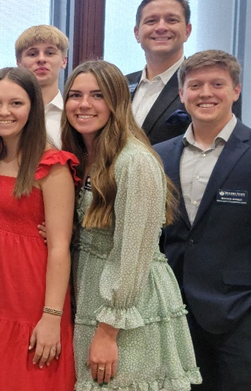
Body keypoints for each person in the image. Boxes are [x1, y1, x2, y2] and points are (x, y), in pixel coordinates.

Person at [62, 60, 201, 390]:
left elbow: (132, 251)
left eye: (97, 95)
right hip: (91, 289)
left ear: (117, 102)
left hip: (126, 305)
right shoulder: (85, 154)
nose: (84, 104)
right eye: (75, 95)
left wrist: (109, 330)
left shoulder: (134, 160)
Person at [155, 50, 251, 390]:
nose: (205, 93)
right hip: (175, 317)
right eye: (195, 85)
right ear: (181, 94)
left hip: (244, 320)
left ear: (236, 90)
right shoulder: (161, 155)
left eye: (217, 84)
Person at [0, 67, 76, 390]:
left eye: (16, 103)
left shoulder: (52, 165)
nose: (3, 112)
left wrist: (51, 316)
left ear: (33, 108)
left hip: (28, 292)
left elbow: (60, 246)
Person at [125, 0, 192, 146]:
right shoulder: (120, 84)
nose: (161, 27)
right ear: (137, 33)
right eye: (151, 21)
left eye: (171, 20)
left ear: (187, 31)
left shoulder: (203, 88)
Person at [15, 25, 68, 148]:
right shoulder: (5, 114)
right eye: (33, 54)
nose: (41, 59)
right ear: (18, 62)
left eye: (50, 53)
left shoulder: (73, 115)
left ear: (64, 61)